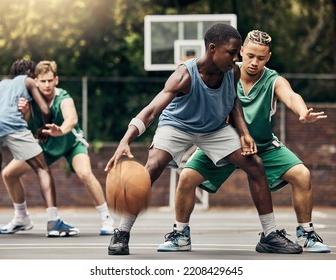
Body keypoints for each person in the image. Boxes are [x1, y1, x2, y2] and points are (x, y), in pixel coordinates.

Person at [105, 23, 302, 255]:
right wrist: (125, 140)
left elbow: (233, 102)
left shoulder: (232, 71)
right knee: (153, 167)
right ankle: (122, 233)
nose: (236, 58)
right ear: (212, 48)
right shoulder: (184, 76)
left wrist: (244, 133)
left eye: (238, 52)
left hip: (213, 128)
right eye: (232, 52)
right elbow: (150, 111)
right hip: (178, 125)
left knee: (255, 164)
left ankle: (269, 235)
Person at [158, 30, 330, 253]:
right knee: (187, 178)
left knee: (302, 175)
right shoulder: (226, 72)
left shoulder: (273, 80)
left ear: (268, 57)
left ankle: (306, 234)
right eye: (249, 56)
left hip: (263, 147)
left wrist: (302, 111)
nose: (254, 62)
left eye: (260, 58)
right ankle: (181, 235)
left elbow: (290, 95)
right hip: (223, 143)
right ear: (240, 51)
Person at [0, 60, 115, 236]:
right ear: (35, 81)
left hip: (71, 144)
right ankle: (21, 218)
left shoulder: (63, 97)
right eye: (42, 81)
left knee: (85, 173)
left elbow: (72, 119)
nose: (46, 84)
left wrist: (61, 130)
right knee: (8, 174)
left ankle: (107, 219)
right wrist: (22, 113)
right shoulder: (30, 99)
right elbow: (24, 122)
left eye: (50, 80)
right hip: (45, 146)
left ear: (56, 80)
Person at [0, 59, 79, 237]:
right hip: (11, 124)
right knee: (42, 169)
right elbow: (45, 109)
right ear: (30, 74)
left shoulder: (1, 85)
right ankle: (53, 222)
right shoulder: (27, 81)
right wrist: (43, 129)